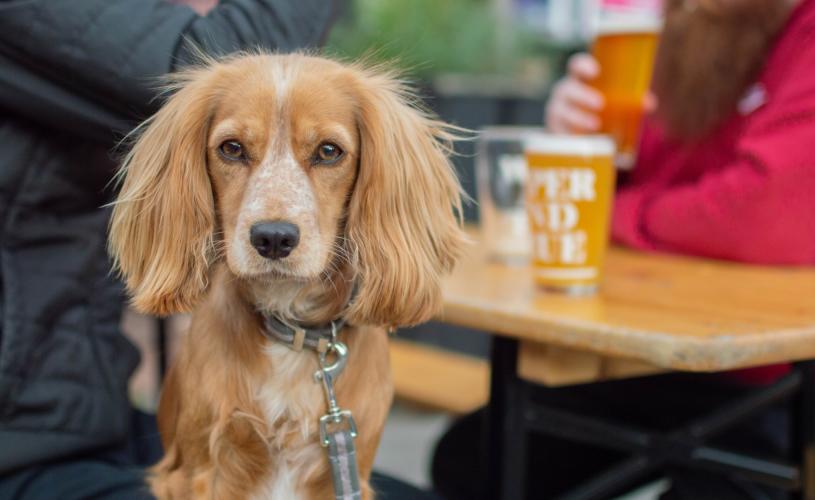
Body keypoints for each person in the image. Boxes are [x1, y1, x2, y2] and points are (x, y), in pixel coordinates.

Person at [0, 1, 435, 499]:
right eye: (233, 149)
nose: (275, 217)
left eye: (328, 152)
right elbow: (204, 47)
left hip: (83, 417)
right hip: (32, 440)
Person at [433, 0, 815, 498]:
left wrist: (606, 213)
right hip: (645, 354)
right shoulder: (680, 22)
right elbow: (633, 167)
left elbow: (761, 214)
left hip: (776, 378)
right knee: (471, 462)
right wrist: (578, 142)